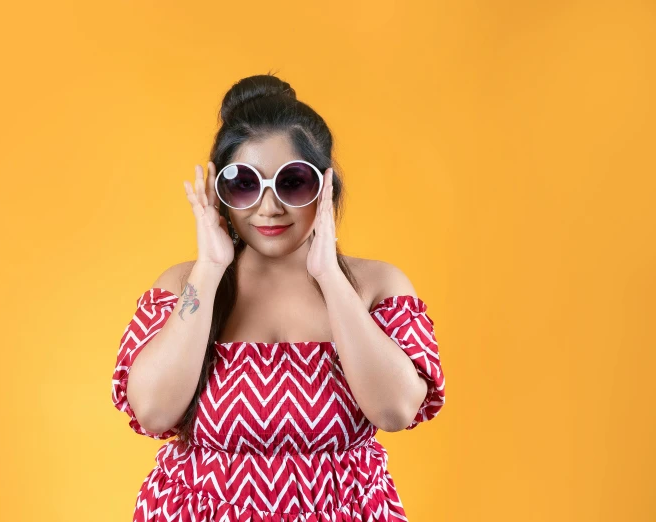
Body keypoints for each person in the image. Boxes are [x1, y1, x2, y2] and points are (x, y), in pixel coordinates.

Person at [111, 73, 446, 522]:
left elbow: (395, 410)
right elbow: (152, 412)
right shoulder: (184, 287)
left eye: (292, 182)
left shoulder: (376, 286)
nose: (268, 208)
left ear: (326, 187)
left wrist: (328, 273)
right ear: (220, 193)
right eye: (245, 184)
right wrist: (209, 268)